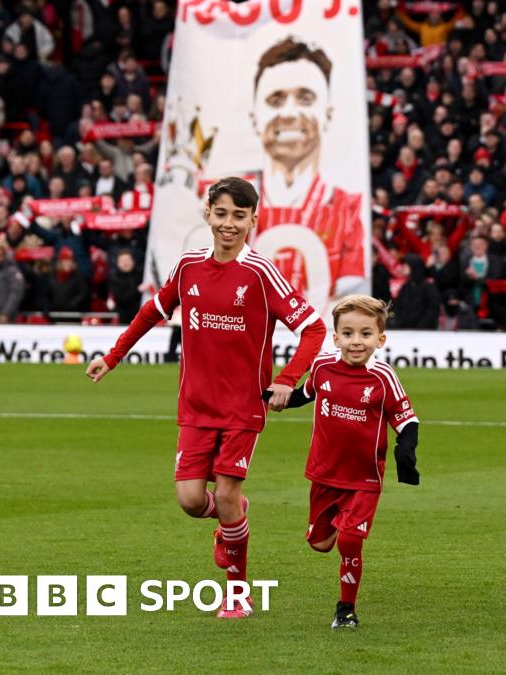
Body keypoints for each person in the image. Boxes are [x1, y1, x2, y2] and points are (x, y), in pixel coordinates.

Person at [85, 177, 327, 618]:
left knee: (229, 495)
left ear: (254, 219)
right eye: (221, 214)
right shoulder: (189, 266)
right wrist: (112, 356)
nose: (229, 224)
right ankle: (231, 522)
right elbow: (151, 312)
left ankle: (238, 595)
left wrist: (288, 379)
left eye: (239, 216)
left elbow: (313, 328)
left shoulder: (261, 272)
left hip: (242, 408)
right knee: (191, 501)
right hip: (195, 407)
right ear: (208, 215)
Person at [273, 295, 420, 630]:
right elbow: (305, 394)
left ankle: (346, 610)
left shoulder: (383, 377)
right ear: (336, 337)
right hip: (324, 474)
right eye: (349, 333)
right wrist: (274, 397)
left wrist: (405, 451)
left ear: (380, 339)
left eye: (366, 334)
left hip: (364, 478)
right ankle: (343, 529)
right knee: (320, 543)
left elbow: (407, 420)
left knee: (350, 540)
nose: (357, 342)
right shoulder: (323, 367)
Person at [250, 37, 365, 306]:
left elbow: (349, 301)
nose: (289, 112)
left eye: (305, 98)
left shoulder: (347, 211)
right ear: (254, 116)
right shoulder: (224, 202)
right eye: (275, 100)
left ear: (328, 113)